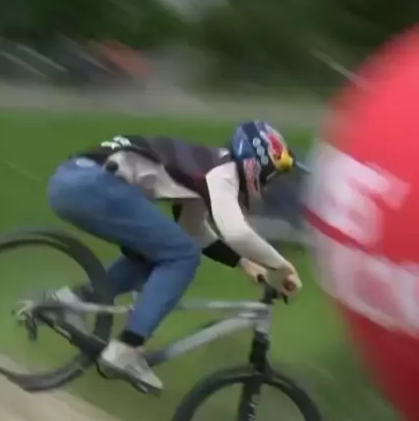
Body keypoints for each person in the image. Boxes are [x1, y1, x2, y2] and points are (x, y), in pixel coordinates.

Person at [46, 121, 303, 391]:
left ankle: (70, 302)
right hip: (92, 185)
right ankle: (127, 349)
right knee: (182, 257)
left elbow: (193, 229)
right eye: (273, 176)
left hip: (74, 181)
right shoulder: (222, 175)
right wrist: (284, 266)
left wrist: (244, 264)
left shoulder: (210, 169)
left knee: (158, 254)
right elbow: (238, 234)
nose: (271, 186)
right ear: (257, 166)